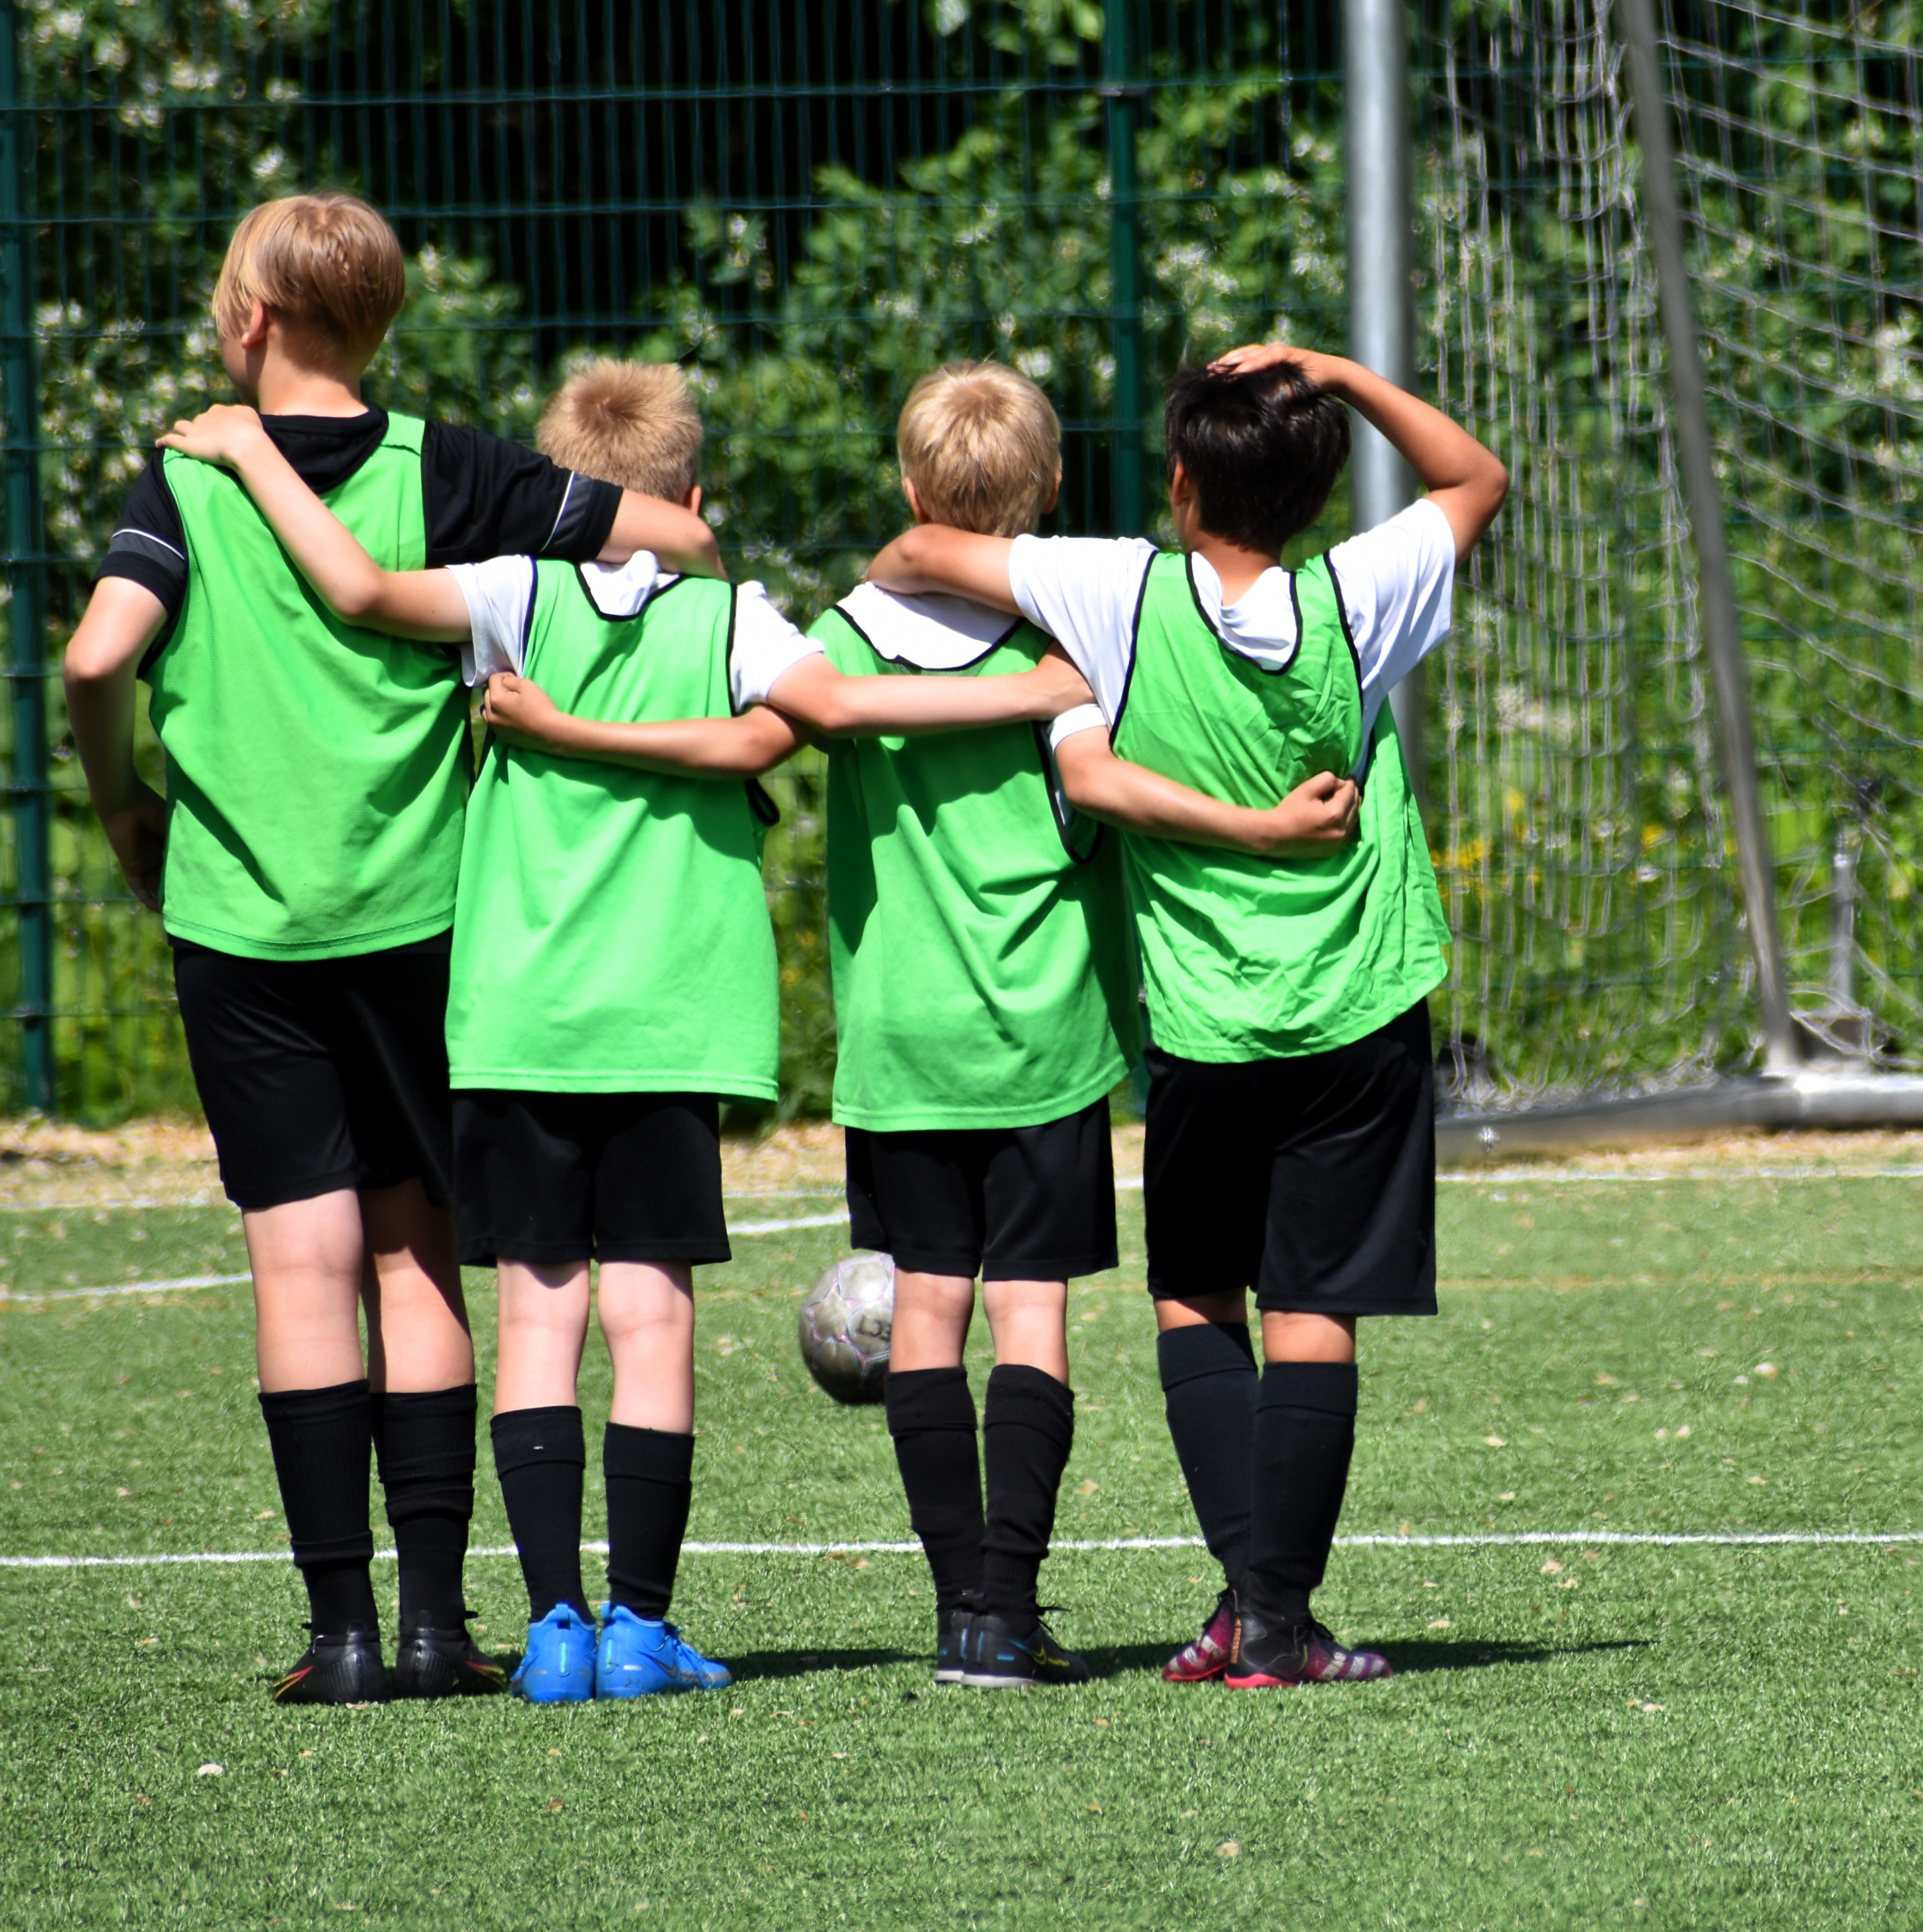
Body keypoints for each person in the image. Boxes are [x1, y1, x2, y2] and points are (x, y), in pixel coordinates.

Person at [159, 360, 1091, 1701]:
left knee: (538, 1319)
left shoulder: (502, 598)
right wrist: (1034, 690)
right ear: (692, 493)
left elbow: (356, 593)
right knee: (650, 1318)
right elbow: (810, 722)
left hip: (518, 1017)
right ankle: (643, 1628)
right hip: (671, 1016)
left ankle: (551, 1631)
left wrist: (254, 460)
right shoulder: (727, 617)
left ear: (553, 492)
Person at [511, 360, 1357, 1687]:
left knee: (925, 1320)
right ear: (1053, 490)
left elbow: (762, 734)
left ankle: (961, 1609)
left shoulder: (833, 637)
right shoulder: (1064, 646)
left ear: (910, 490)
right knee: (1030, 1318)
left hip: (898, 1043)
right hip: (1045, 1036)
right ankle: (1009, 1613)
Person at [61, 194, 718, 1705]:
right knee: (420, 1247)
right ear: (383, 319)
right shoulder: (454, 470)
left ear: (246, 323)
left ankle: (340, 1640)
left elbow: (101, 654)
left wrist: (123, 801)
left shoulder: (192, 476)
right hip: (425, 918)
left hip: (237, 922)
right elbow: (673, 539)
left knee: (301, 1263)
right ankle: (438, 1630)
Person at [866, 342, 1508, 1685]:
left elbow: (920, 550)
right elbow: (1475, 475)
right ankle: (1271, 1620)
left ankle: (1248, 1605)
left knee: (1195, 1299)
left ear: (1176, 482)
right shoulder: (1365, 591)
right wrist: (1339, 370)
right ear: (1323, 489)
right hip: (1360, 1003)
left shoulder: (1111, 590)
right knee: (1315, 1304)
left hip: (1206, 1019)